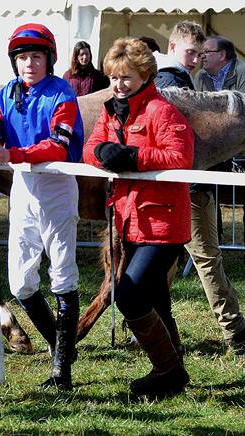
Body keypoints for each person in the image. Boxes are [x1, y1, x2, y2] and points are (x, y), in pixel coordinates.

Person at [0, 23, 84, 390]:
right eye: (22, 58)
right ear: (14, 63)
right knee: (20, 283)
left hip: (57, 187)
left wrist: (11, 154)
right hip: (23, 188)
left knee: (62, 275)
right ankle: (60, 345)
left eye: (35, 57)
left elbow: (58, 144)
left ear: (49, 59)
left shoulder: (62, 93)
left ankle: (61, 371)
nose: (29, 64)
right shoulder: (7, 93)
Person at [83, 37, 194, 400]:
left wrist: (133, 156)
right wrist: (102, 151)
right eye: (114, 77)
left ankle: (167, 372)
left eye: (126, 77)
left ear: (146, 75)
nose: (118, 84)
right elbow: (89, 149)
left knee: (129, 294)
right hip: (127, 220)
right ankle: (173, 371)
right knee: (156, 298)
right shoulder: (110, 110)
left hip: (163, 224)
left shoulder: (161, 111)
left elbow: (180, 156)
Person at [156, 22, 245, 355]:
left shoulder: (180, 79)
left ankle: (149, 327)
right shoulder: (169, 82)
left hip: (188, 185)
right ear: (172, 49)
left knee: (166, 262)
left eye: (198, 52)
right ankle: (235, 332)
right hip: (189, 187)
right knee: (208, 259)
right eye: (189, 52)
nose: (194, 59)